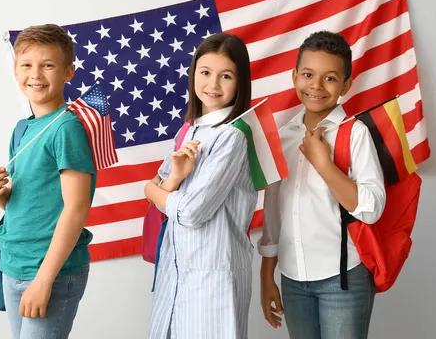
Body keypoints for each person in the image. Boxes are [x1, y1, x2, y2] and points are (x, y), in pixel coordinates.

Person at [259, 31, 386, 339]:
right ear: (294, 76)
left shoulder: (355, 133)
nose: (316, 86)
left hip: (342, 277)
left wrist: (324, 164)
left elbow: (371, 209)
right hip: (292, 278)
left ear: (345, 85)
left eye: (329, 78)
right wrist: (266, 275)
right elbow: (274, 211)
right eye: (308, 75)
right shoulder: (283, 136)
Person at [0, 24, 96, 339]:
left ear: (68, 72)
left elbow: (76, 207)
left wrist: (44, 280)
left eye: (47, 65)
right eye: (27, 65)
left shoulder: (66, 128)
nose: (36, 74)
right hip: (14, 264)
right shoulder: (22, 129)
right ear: (15, 71)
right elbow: (27, 203)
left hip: (50, 270)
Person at [144, 33, 257, 339]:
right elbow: (159, 185)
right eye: (205, 73)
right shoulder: (188, 129)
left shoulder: (233, 136)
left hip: (214, 276)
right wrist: (174, 179)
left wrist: (156, 191)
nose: (213, 85)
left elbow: (192, 212)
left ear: (240, 81)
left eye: (226, 76)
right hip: (176, 273)